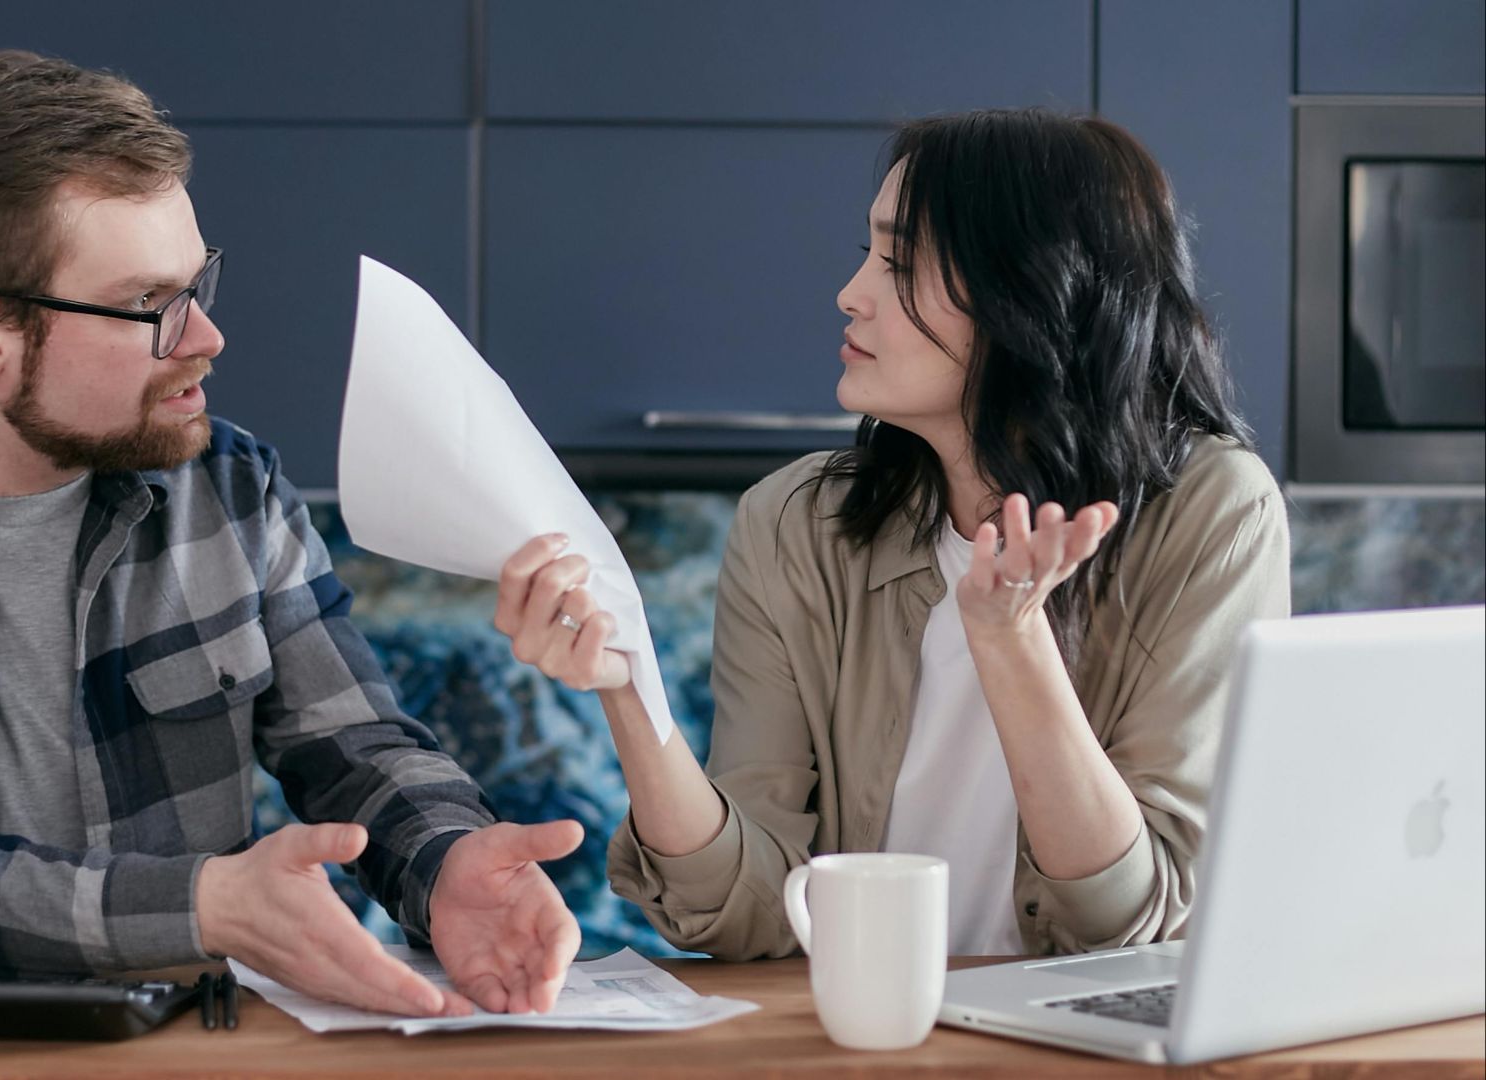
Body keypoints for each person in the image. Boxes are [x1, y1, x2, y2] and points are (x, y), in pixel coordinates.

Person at [0, 50, 579, 1017]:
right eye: (148, 306)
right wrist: (202, 906)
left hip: (192, 1043)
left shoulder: (229, 487)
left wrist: (447, 858)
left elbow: (356, 748)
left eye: (198, 285)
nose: (206, 338)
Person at [493, 109, 1291, 959]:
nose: (851, 292)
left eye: (900, 260)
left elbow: (1132, 917)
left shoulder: (1213, 513)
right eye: (870, 251)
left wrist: (1011, 639)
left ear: (1032, 291)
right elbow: (748, 914)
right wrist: (628, 690)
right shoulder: (794, 525)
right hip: (865, 1031)